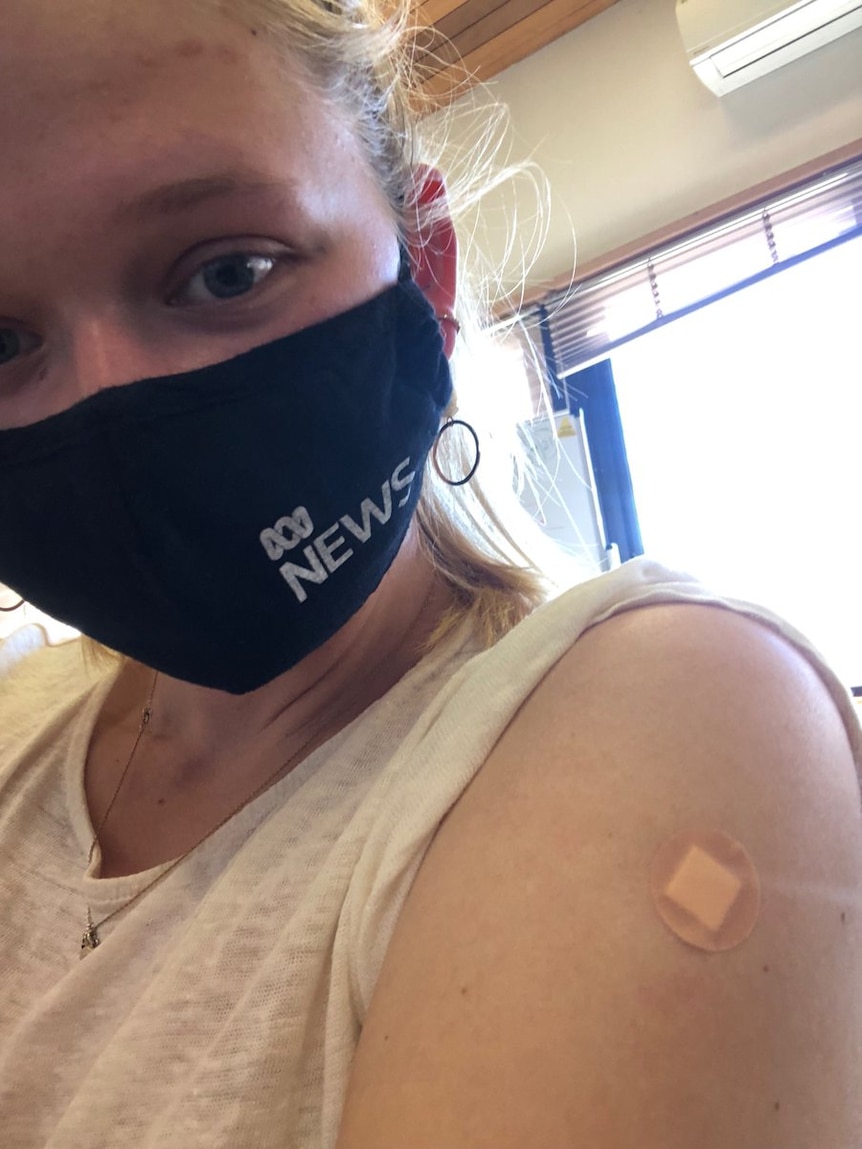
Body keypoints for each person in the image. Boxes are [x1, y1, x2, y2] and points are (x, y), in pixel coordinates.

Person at [0, 1, 860, 1146]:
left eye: (227, 272)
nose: (108, 402)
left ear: (430, 271)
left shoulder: (668, 713)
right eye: (2, 345)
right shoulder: (21, 727)